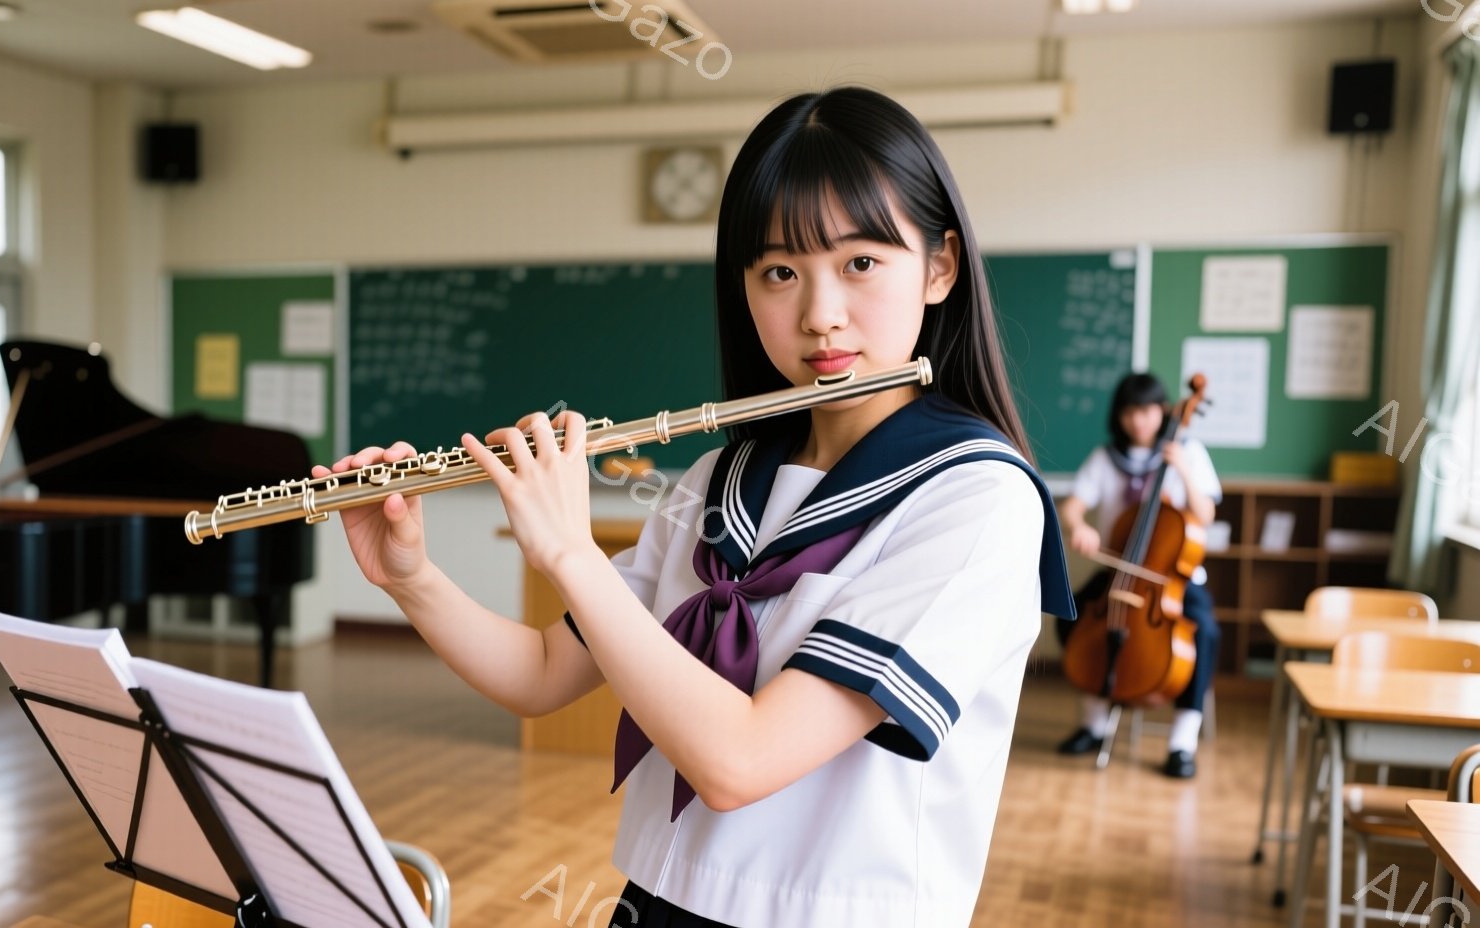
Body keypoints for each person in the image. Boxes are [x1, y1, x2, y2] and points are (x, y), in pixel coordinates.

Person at [318, 86, 1074, 928]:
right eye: (780, 272)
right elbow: (539, 674)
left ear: (938, 267)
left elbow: (740, 760)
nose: (821, 316)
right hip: (655, 905)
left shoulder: (977, 501)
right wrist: (410, 576)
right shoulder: (716, 478)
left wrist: (568, 553)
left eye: (861, 262)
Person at [1053, 372, 1222, 779]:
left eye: (1146, 412)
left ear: (1161, 411)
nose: (1139, 422)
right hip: (1120, 572)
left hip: (1172, 578)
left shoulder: (1190, 451)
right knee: (1068, 614)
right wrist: (1080, 527)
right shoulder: (1105, 457)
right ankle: (1094, 723)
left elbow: (1206, 515)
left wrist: (1180, 468)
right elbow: (1071, 507)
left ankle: (1182, 741)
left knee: (1204, 632)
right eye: (1130, 412)